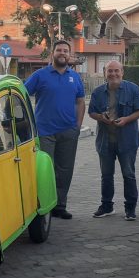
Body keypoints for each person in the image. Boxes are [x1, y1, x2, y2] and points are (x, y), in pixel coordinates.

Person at [24, 39, 85, 219]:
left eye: (65, 50)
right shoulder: (40, 75)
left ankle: (60, 205)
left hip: (68, 132)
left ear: (69, 54)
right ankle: (43, 206)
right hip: (44, 132)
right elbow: (24, 95)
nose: (62, 53)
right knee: (44, 170)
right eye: (59, 50)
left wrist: (78, 126)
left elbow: (81, 102)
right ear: (52, 53)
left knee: (65, 170)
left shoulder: (75, 77)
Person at [88, 60, 139, 221]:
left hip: (127, 141)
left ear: (122, 72)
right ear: (104, 73)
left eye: (116, 71)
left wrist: (127, 119)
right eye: (110, 71)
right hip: (105, 142)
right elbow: (91, 112)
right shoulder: (98, 92)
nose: (113, 74)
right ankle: (107, 206)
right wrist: (101, 117)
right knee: (106, 175)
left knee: (129, 175)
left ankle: (130, 208)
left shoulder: (133, 89)